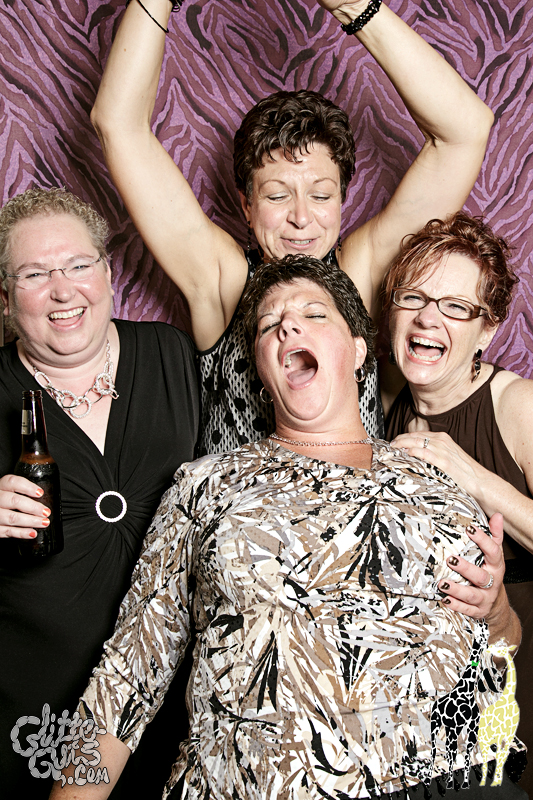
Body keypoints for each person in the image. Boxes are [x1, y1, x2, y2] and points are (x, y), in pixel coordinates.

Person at [50, 255, 523, 800]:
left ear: (359, 351)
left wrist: (498, 610)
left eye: (313, 315)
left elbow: (502, 646)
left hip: (452, 778)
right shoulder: (206, 486)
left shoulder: (437, 481)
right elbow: (127, 672)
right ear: (260, 368)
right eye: (269, 324)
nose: (288, 327)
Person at [91, 0, 494, 454]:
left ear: (342, 199)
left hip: (359, 497)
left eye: (320, 196)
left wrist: (353, 6)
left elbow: (465, 131)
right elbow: (118, 124)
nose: (301, 218)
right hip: (238, 498)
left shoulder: (359, 274)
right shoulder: (223, 281)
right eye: (277, 196)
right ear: (246, 205)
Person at [0, 187, 199, 799]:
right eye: (35, 274)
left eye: (78, 264)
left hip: (176, 700)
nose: (63, 290)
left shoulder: (171, 353)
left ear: (108, 273)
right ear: (5, 298)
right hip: (35, 707)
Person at [382, 210, 533, 794]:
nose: (428, 318)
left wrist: (470, 474)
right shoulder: (385, 403)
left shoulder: (516, 405)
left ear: (487, 329)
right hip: (438, 695)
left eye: (455, 306)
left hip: (520, 665)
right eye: (414, 297)